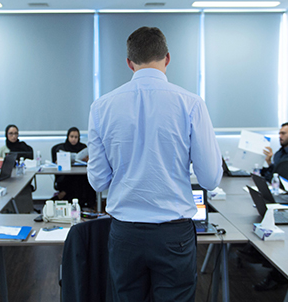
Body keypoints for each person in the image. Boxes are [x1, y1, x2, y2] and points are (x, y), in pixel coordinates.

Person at [88, 26, 222, 302]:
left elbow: (98, 181)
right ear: (167, 58)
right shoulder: (191, 104)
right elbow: (210, 179)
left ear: (129, 63)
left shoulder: (101, 107)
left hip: (125, 231)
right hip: (174, 233)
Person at [51, 127, 94, 207]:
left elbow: (89, 161)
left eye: (76, 137)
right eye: (71, 136)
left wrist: (87, 160)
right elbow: (56, 162)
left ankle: (88, 205)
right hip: (66, 175)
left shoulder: (83, 148)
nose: (73, 139)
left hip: (81, 174)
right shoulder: (62, 148)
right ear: (68, 137)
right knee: (73, 180)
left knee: (86, 180)